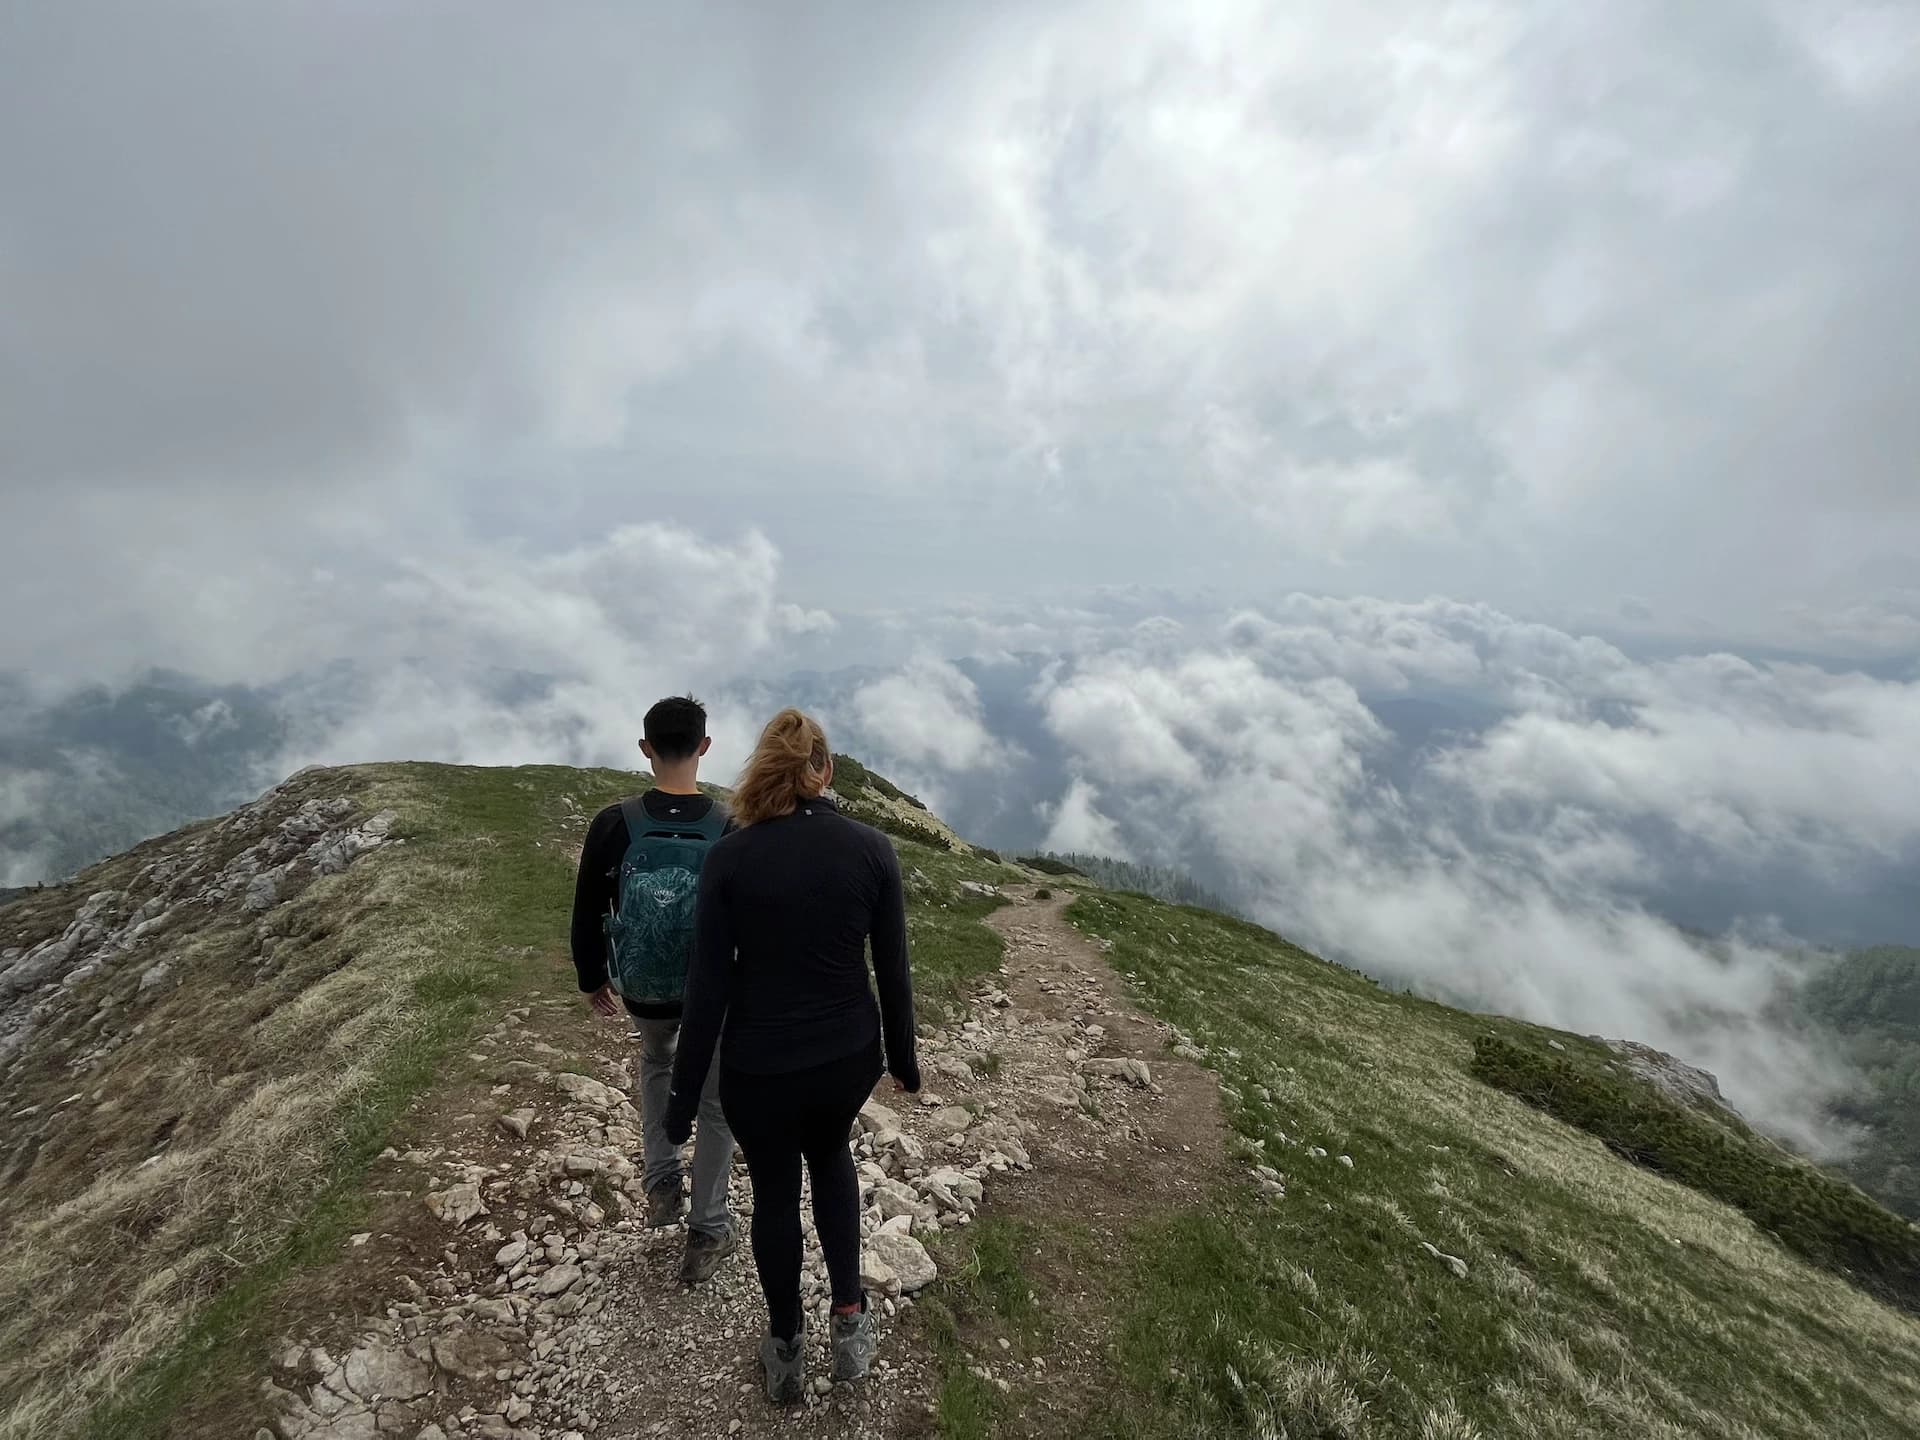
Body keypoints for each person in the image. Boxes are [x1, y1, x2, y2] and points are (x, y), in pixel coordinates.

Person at [666, 709, 920, 1402]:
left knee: (775, 1192)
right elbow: (892, 972)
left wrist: (682, 1102)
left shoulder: (730, 858)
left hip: (759, 1065)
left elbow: (707, 989)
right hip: (846, 1057)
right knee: (832, 1155)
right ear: (825, 771)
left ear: (762, 773)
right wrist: (904, 1062)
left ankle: (784, 1352)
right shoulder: (871, 849)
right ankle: (849, 1324)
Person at [569, 694, 739, 1285]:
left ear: (645, 749)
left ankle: (662, 1182)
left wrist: (592, 976)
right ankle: (708, 1227)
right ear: (705, 747)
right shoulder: (728, 826)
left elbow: (589, 905)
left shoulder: (614, 822)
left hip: (643, 987)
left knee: (656, 1060)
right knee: (716, 1100)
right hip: (712, 992)